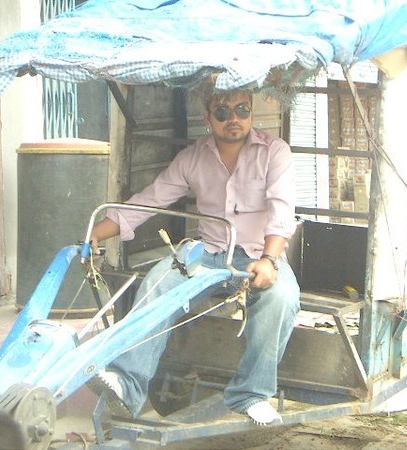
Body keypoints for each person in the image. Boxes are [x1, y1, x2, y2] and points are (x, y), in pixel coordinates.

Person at [89, 87, 300, 426]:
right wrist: (95, 234)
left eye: (242, 110)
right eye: (223, 112)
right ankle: (127, 385)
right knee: (158, 281)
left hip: (259, 256)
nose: (233, 118)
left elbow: (282, 209)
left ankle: (251, 394)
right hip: (209, 254)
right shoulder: (192, 158)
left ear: (251, 112)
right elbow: (150, 200)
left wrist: (270, 261)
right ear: (207, 118)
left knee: (282, 297)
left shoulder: (274, 151)